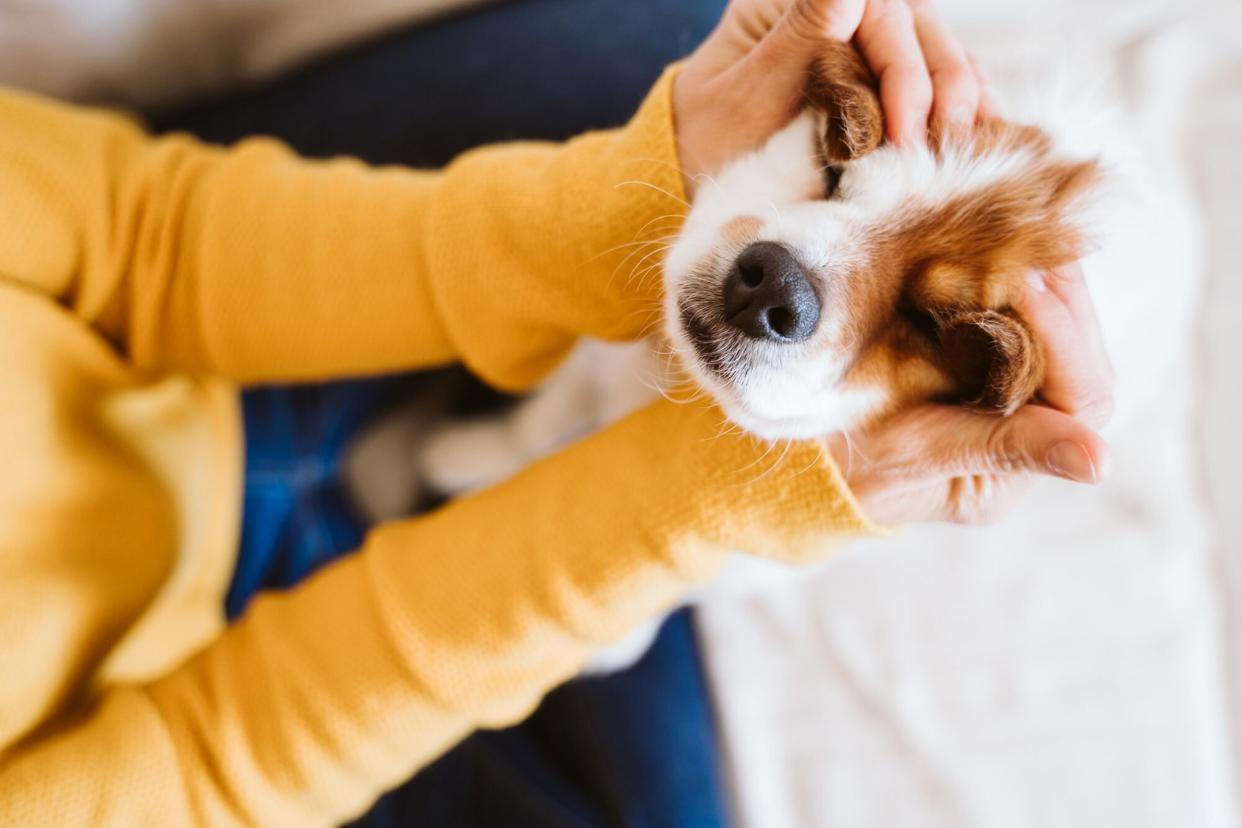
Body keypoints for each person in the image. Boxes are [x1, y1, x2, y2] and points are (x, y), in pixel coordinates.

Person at [0, 1, 1114, 826]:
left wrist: (636, 189)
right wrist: (701, 505)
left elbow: (146, 237)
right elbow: (210, 762)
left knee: (706, 44)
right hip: (199, 698)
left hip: (194, 337)